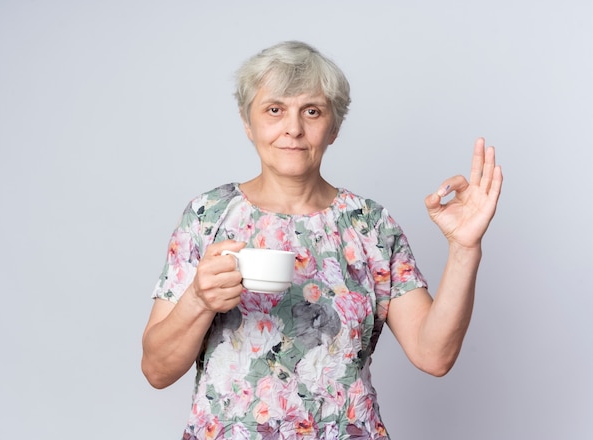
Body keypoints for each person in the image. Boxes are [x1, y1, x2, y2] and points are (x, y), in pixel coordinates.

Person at [141, 40, 502, 439]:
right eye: (274, 110)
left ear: (334, 128)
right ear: (249, 123)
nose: (293, 128)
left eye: (311, 111)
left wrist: (465, 248)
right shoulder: (207, 216)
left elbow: (434, 355)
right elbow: (157, 371)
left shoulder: (370, 225)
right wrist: (198, 300)